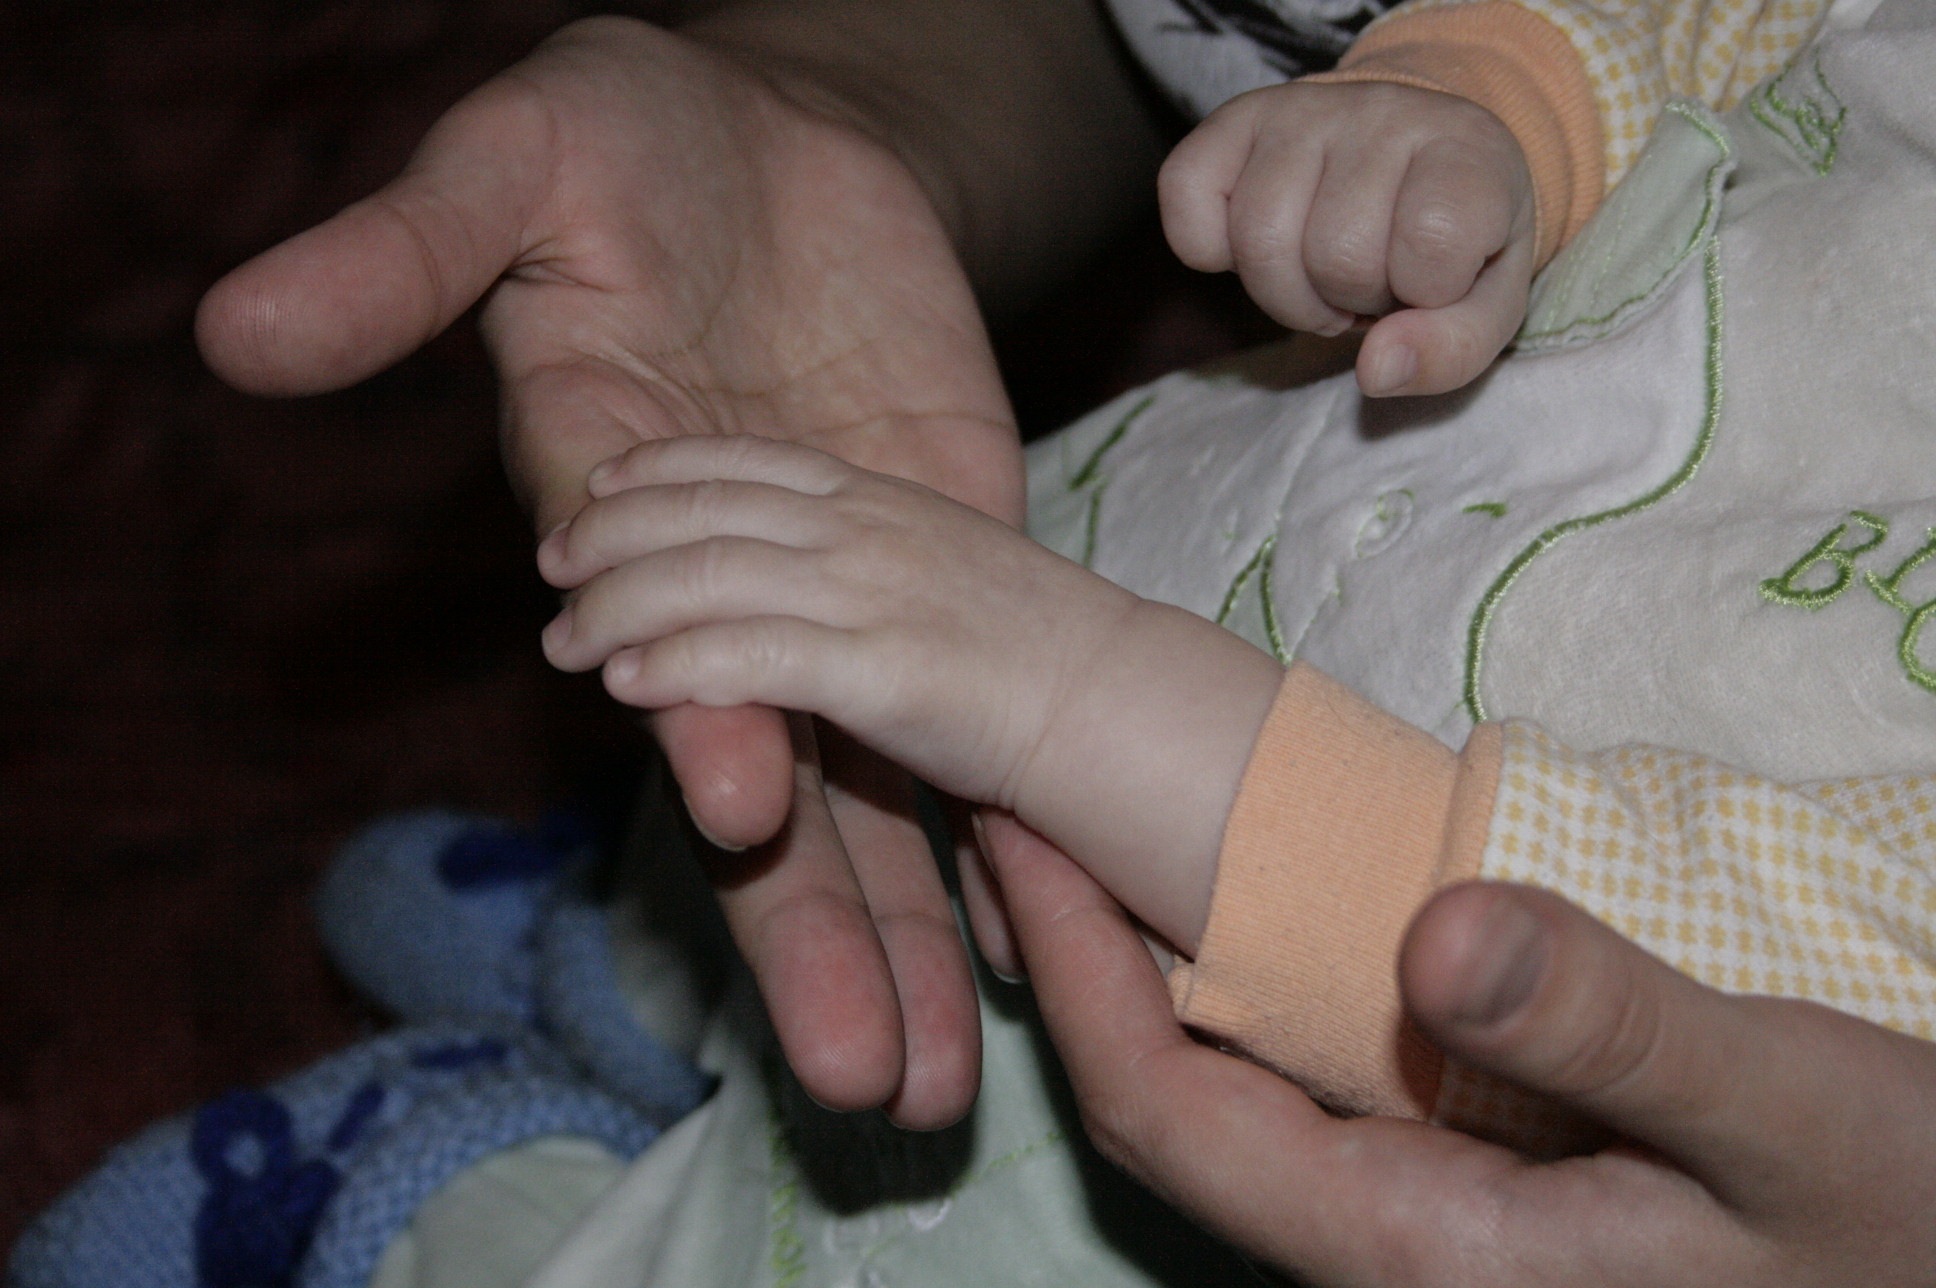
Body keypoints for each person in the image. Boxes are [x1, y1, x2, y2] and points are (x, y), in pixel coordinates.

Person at [162, 0, 1936, 1283]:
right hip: (1191, 524)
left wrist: (1058, 682)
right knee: (768, 762)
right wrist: (1490, 94)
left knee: (805, 1219)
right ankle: (616, 958)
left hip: (1218, 1073)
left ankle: (438, 1195)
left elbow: (1708, 985)